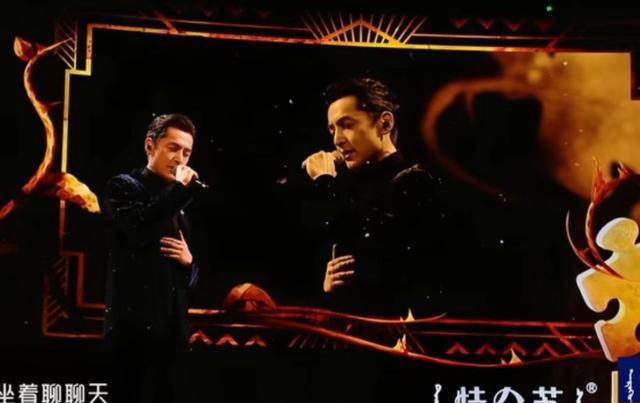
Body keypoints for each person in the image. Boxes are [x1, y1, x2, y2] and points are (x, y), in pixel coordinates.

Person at [301, 78, 448, 317]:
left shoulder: (414, 182)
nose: (337, 140)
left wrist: (324, 182)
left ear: (385, 123)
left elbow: (383, 267)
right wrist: (332, 288)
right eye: (332, 129)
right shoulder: (358, 187)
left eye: (346, 125)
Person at [102, 113, 201, 403]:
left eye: (187, 152)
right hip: (132, 332)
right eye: (173, 148)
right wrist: (180, 190)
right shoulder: (123, 186)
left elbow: (189, 279)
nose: (180, 159)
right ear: (149, 146)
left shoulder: (179, 205)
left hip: (172, 333)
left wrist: (189, 263)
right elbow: (139, 226)